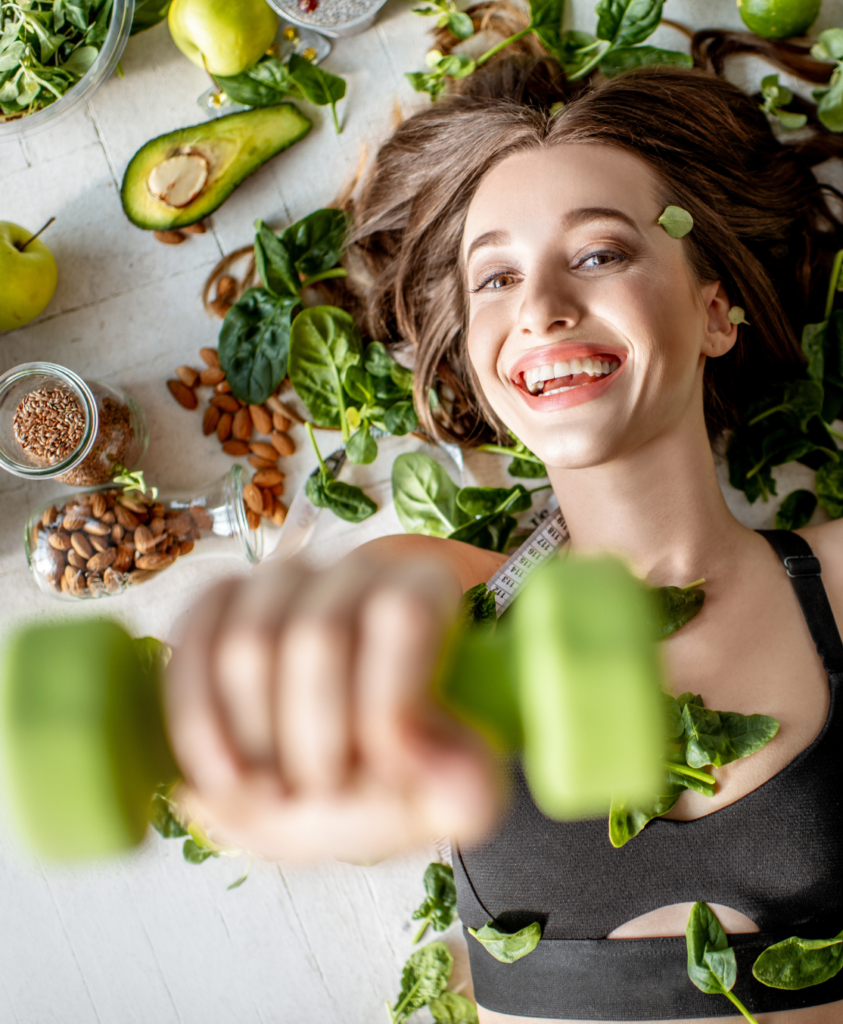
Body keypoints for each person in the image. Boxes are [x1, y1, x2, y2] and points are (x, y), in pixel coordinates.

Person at [166, 57, 843, 1023]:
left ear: (714, 311)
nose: (539, 307)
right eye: (495, 276)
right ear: (483, 365)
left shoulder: (836, 585)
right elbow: (235, 779)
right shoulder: (434, 599)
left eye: (600, 253)